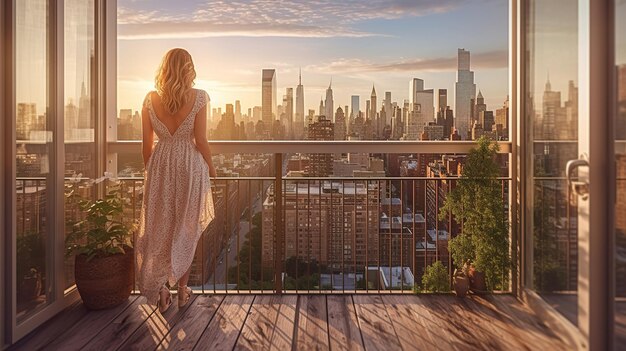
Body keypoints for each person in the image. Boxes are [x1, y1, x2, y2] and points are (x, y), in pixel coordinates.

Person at [136, 48, 216, 312]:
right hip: (189, 167)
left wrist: (153, 173)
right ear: (188, 68)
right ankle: (182, 290)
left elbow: (146, 146)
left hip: (160, 166)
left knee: (161, 228)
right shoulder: (200, 97)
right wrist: (213, 168)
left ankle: (161, 288)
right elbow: (201, 140)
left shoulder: (149, 99)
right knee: (186, 228)